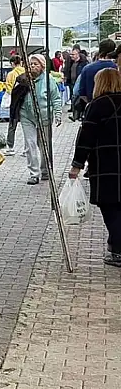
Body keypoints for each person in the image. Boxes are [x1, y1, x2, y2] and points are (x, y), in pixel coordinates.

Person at [70, 69, 121, 266]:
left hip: (106, 164)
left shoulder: (97, 105)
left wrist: (77, 165)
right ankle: (114, 244)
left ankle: (117, 250)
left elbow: (86, 138)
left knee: (110, 206)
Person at [12, 55, 62, 185]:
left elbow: (56, 98)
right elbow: (16, 96)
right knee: (30, 144)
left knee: (44, 144)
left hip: (44, 116)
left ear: (42, 66)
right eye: (31, 64)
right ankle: (34, 174)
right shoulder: (23, 79)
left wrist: (58, 114)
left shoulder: (48, 80)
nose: (33, 66)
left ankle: (45, 170)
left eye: (36, 64)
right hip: (26, 116)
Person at [76, 39, 117, 105]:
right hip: (116, 108)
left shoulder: (87, 68)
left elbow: (81, 93)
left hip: (94, 107)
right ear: (114, 50)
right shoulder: (117, 68)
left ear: (100, 49)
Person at [2, 54, 26, 156]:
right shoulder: (26, 71)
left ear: (12, 63)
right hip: (25, 101)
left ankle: (10, 147)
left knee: (12, 124)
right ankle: (26, 149)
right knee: (27, 126)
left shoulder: (11, 74)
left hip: (15, 102)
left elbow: (9, 88)